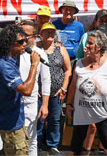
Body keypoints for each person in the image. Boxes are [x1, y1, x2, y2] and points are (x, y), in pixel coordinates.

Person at [66, 30, 107, 155]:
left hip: (104, 113)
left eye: (90, 43)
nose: (86, 46)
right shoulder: (79, 64)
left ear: (99, 46)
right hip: (81, 112)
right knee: (76, 145)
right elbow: (73, 86)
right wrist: (69, 104)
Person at [0, 24, 41, 156]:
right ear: (9, 44)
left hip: (16, 120)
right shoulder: (4, 66)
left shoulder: (11, 61)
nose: (25, 44)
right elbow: (26, 90)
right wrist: (34, 65)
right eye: (20, 42)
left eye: (25, 40)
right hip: (10, 124)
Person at [37, 22, 72, 154]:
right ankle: (38, 144)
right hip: (40, 92)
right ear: (41, 34)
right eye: (47, 31)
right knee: (39, 119)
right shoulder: (36, 49)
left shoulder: (60, 49)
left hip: (57, 91)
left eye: (52, 31)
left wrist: (64, 88)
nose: (50, 34)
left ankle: (52, 144)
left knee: (55, 119)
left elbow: (68, 70)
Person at [19, 21, 50, 156]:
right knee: (16, 141)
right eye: (21, 34)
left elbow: (45, 81)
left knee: (31, 140)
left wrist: (45, 105)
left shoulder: (40, 54)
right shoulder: (13, 51)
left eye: (27, 35)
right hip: (13, 103)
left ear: (35, 36)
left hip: (30, 103)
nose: (23, 38)